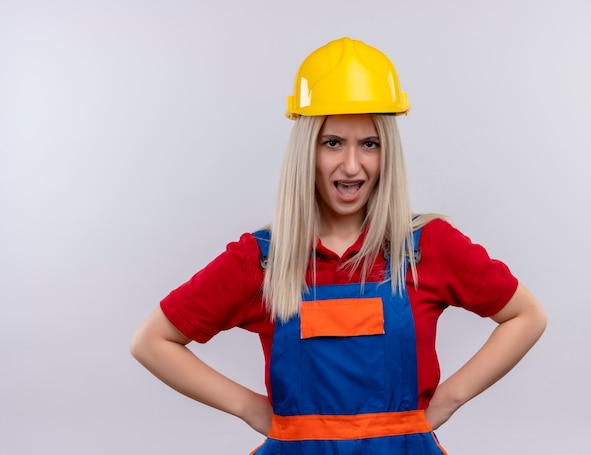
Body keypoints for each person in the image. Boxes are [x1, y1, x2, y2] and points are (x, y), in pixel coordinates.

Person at [131, 37, 547, 454]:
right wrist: (250, 407)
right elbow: (152, 342)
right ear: (306, 151)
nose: (352, 165)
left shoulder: (427, 246)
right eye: (332, 142)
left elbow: (526, 316)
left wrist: (447, 402)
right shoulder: (260, 260)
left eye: (370, 143)